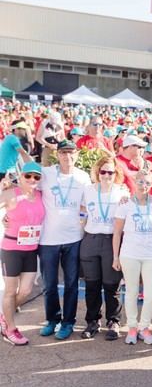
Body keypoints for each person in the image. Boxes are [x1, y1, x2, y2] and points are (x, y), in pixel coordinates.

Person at [38, 139, 91, 340]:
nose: (67, 157)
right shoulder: (47, 173)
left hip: (73, 238)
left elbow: (88, 205)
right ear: (57, 155)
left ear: (76, 155)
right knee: (49, 284)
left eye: (71, 153)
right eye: (63, 153)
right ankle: (52, 319)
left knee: (71, 284)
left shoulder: (83, 177)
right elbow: (28, 186)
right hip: (48, 239)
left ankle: (68, 322)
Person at [112, 168, 152, 345]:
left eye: (148, 183)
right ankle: (132, 327)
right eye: (141, 182)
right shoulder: (125, 203)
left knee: (150, 294)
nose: (144, 186)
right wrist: (115, 257)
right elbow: (117, 232)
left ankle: (144, 327)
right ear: (135, 182)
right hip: (129, 254)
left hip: (151, 254)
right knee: (132, 292)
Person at [79, 156, 129, 340]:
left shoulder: (122, 192)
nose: (107, 175)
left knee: (111, 285)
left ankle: (113, 321)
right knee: (92, 285)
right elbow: (82, 212)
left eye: (111, 172)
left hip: (111, 241)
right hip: (91, 239)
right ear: (97, 172)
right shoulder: (88, 190)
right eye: (103, 171)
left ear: (116, 174)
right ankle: (92, 321)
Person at [0, 162, 45, 345]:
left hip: (31, 249)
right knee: (10, 291)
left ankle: (5, 316)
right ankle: (10, 329)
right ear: (21, 177)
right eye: (28, 176)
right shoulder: (11, 193)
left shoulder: (41, 195)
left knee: (26, 290)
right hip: (11, 249)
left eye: (36, 177)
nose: (32, 180)